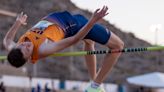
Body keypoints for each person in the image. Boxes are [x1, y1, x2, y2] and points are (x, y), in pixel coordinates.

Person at [3, 6, 124, 92]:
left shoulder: (15, 50)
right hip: (75, 26)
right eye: (27, 50)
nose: (26, 45)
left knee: (89, 42)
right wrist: (92, 21)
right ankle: (96, 84)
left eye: (22, 45)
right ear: (29, 57)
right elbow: (74, 39)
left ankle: (93, 84)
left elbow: (7, 40)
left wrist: (18, 23)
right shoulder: (43, 49)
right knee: (118, 46)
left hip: (64, 19)